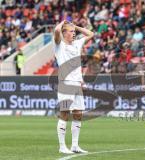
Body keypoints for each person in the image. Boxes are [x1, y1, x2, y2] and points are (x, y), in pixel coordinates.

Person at [54, 20, 94, 154]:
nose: (74, 33)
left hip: (77, 83)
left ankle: (75, 146)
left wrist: (75, 26)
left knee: (78, 114)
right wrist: (62, 23)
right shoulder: (59, 45)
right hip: (66, 83)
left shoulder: (77, 43)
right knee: (64, 113)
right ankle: (62, 146)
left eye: (74, 32)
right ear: (64, 33)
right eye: (71, 32)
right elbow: (56, 31)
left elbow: (90, 34)